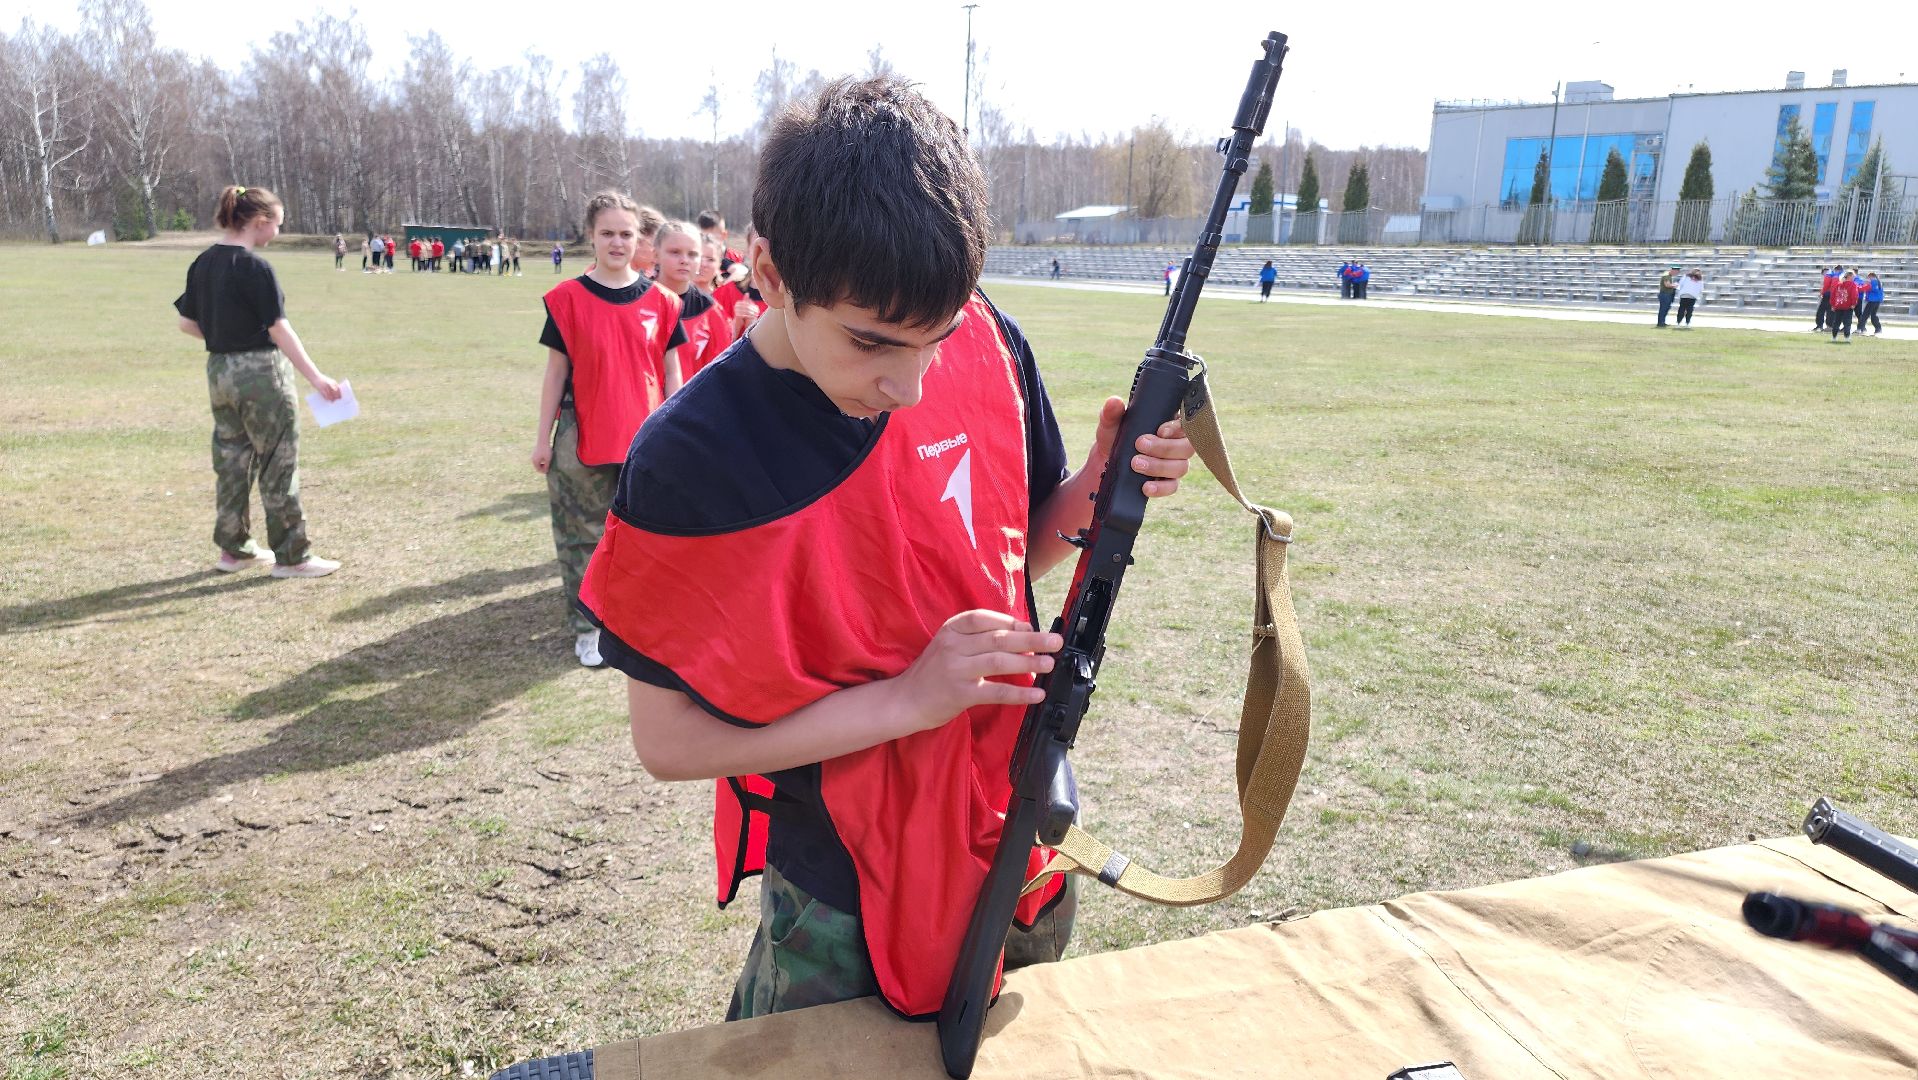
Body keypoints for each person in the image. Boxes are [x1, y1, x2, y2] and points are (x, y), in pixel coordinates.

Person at [577, 75, 1197, 1025]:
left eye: (933, 341)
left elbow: (1003, 553)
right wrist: (910, 699)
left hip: (1013, 811)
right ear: (768, 276)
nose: (908, 386)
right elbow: (669, 743)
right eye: (871, 343)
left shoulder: (986, 337)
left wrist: (1094, 498)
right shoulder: (692, 457)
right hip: (839, 872)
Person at [532, 192, 687, 667]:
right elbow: (555, 374)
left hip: (645, 442)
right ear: (591, 236)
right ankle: (587, 628)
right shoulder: (567, 299)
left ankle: (635, 625)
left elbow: (671, 373)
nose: (617, 242)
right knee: (583, 537)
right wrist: (542, 438)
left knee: (642, 539)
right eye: (607, 233)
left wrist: (678, 433)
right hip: (582, 439)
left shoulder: (663, 302)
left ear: (639, 238)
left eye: (626, 233)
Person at [174, 185, 343, 579]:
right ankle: (293, 557)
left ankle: (235, 551)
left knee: (232, 462)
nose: (278, 234)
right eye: (277, 225)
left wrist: (224, 338)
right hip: (261, 373)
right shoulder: (255, 267)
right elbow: (278, 329)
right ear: (260, 222)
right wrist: (316, 378)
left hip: (219, 372)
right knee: (277, 462)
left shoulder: (203, 262)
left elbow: (186, 323)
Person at [654, 220, 735, 382]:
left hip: (689, 404)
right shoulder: (638, 301)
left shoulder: (711, 311)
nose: (684, 260)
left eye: (692, 254)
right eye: (675, 252)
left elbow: (720, 373)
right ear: (656, 254)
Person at [1828, 270, 1859, 342]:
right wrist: (1854, 304)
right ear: (1850, 276)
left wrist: (1833, 305)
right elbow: (1854, 295)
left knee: (1836, 323)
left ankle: (1834, 338)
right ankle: (1847, 338)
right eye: (1853, 276)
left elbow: (1832, 295)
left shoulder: (1838, 284)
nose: (1854, 277)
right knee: (1847, 323)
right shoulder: (1853, 285)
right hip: (1848, 307)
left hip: (1838, 306)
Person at [1655, 263, 1680, 327]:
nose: (1676, 274)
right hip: (1665, 294)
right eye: (1676, 272)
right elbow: (1667, 285)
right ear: (1674, 270)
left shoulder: (1668, 275)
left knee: (1666, 309)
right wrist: (1675, 285)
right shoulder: (1667, 276)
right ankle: (1660, 323)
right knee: (1663, 309)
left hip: (1667, 294)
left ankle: (1662, 322)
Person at [1815, 266, 1836, 331]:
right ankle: (1820, 325)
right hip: (1826, 296)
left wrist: (1821, 293)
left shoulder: (1830, 277)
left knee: (1829, 312)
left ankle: (1828, 326)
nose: (1825, 274)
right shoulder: (1827, 277)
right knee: (1821, 311)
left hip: (1830, 296)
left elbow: (1826, 286)